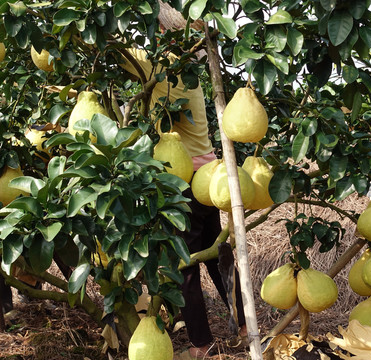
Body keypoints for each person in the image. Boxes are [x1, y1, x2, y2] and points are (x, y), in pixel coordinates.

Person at [116, 22, 248, 359]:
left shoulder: (165, 70)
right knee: (217, 254)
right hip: (207, 181)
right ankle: (245, 325)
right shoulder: (191, 74)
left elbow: (115, 52)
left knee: (185, 267)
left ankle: (201, 345)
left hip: (184, 182)